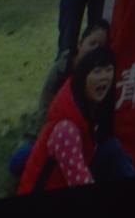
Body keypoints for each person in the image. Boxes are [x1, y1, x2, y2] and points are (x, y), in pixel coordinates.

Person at [18, 46, 135, 195]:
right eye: (97, 71)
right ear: (83, 75)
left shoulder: (94, 103)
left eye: (109, 70)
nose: (104, 76)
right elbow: (79, 180)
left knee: (112, 148)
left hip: (77, 166)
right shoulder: (66, 130)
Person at [8, 19, 112, 176]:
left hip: (82, 137)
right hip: (49, 132)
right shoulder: (62, 67)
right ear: (80, 44)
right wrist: (49, 136)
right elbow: (45, 104)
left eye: (101, 46)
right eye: (92, 43)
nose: (95, 49)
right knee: (18, 162)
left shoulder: (100, 75)